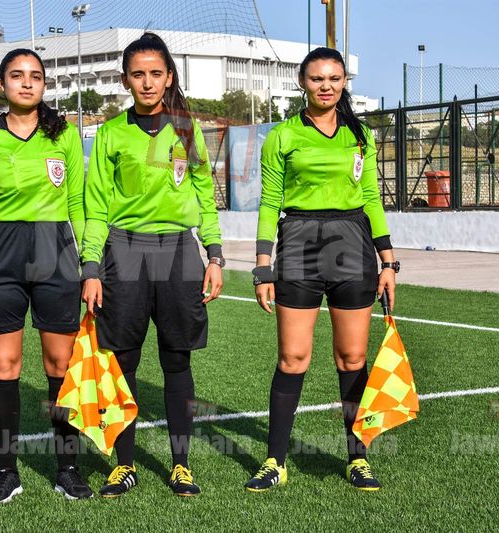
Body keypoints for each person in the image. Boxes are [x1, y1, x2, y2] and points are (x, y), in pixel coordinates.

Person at [245, 47, 399, 493]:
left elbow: (371, 198)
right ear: (302, 83)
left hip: (352, 246)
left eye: (334, 78)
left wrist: (388, 261)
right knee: (293, 358)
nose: (326, 86)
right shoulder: (282, 136)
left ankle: (358, 458)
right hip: (299, 245)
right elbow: (269, 202)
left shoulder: (361, 136)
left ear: (345, 81)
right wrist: (262, 266)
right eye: (317, 79)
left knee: (352, 358)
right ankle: (275, 461)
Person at [80, 32, 224, 498]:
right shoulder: (110, 134)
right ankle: (124, 465)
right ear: (125, 80)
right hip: (124, 251)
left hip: (179, 252)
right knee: (123, 361)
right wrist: (90, 268)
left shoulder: (188, 129)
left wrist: (215, 255)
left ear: (169, 77)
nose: (147, 82)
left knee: (176, 358)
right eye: (138, 74)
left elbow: (205, 196)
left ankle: (181, 465)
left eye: (155, 73)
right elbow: (96, 205)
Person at [0, 48, 92, 503]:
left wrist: (90, 265)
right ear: (2, 85)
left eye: (35, 75)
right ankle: (6, 472)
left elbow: (77, 204)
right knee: (4, 366)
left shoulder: (64, 135)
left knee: (60, 366)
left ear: (44, 85)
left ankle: (68, 468)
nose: (27, 82)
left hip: (55, 250)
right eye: (17, 75)